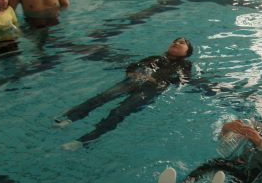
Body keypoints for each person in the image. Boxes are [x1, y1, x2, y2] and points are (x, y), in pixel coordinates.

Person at [57, 37, 193, 148]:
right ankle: (70, 118)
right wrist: (133, 74)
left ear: (187, 52)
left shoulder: (185, 64)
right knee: (102, 97)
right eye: (175, 41)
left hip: (151, 89)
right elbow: (133, 66)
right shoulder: (155, 58)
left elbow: (182, 80)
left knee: (119, 111)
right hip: (133, 82)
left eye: (181, 43)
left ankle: (87, 139)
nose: (176, 43)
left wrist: (155, 80)